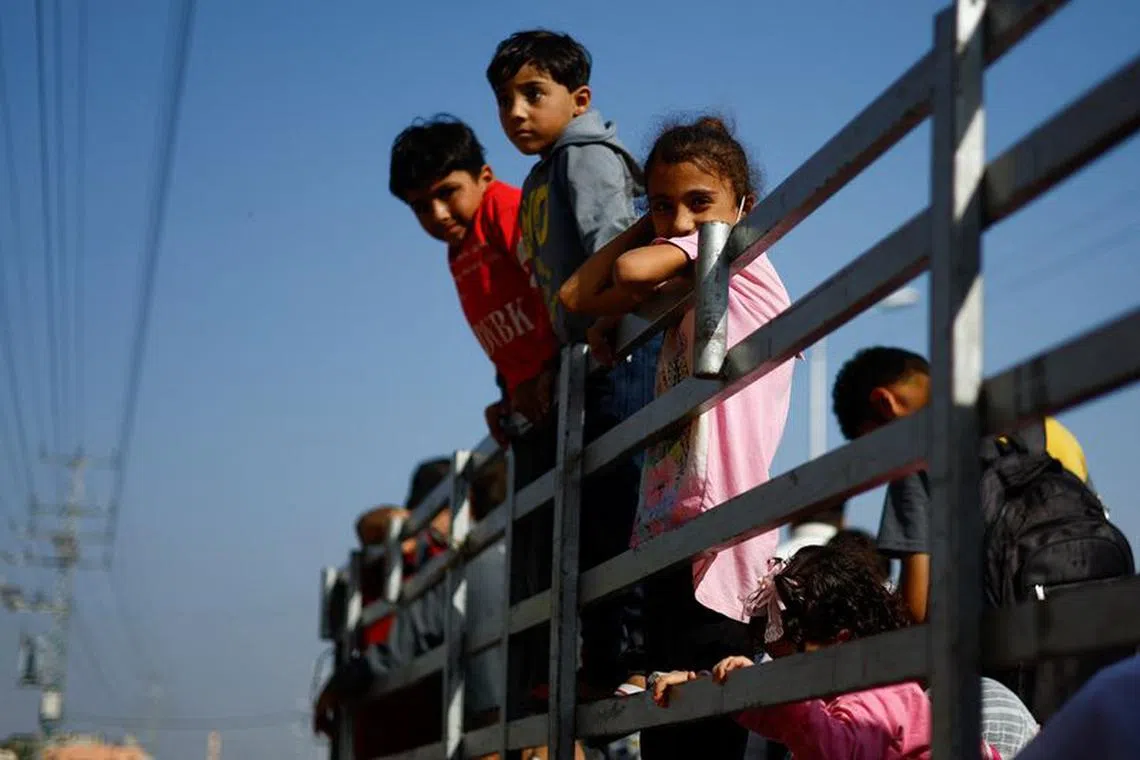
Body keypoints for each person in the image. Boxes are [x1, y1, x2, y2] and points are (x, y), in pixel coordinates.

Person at [561, 115, 794, 759]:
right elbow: (577, 294)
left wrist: (668, 228)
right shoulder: (695, 281)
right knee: (670, 730)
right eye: (664, 204)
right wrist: (659, 216)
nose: (684, 219)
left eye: (701, 202)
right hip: (672, 527)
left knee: (708, 728)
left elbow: (628, 273)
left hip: (721, 531)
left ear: (743, 208)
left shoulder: (737, 257)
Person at [486, 29, 656, 726]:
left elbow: (611, 241)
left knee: (620, 498)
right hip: (586, 355)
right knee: (593, 507)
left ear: (578, 99)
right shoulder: (546, 168)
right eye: (505, 101)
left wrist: (599, 326)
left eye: (534, 94)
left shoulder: (584, 155)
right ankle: (604, 657)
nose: (517, 112)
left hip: (616, 349)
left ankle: (625, 658)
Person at [649, 546, 1002, 759]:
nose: (779, 673)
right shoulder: (851, 689)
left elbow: (831, 748)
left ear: (840, 642)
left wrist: (779, 700)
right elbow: (776, 714)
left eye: (790, 663)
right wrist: (707, 686)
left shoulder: (876, 697)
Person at [830, 346, 1093, 624]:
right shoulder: (1053, 431)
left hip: (998, 646)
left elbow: (916, 610)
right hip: (1086, 619)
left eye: (878, 447)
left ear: (885, 402)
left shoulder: (918, 458)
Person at [388, 115, 559, 447]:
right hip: (532, 402)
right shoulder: (456, 249)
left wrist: (550, 366)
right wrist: (508, 393)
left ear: (485, 176)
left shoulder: (503, 208)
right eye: (421, 207)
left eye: (448, 192)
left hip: (562, 381)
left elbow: (548, 284)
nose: (439, 214)